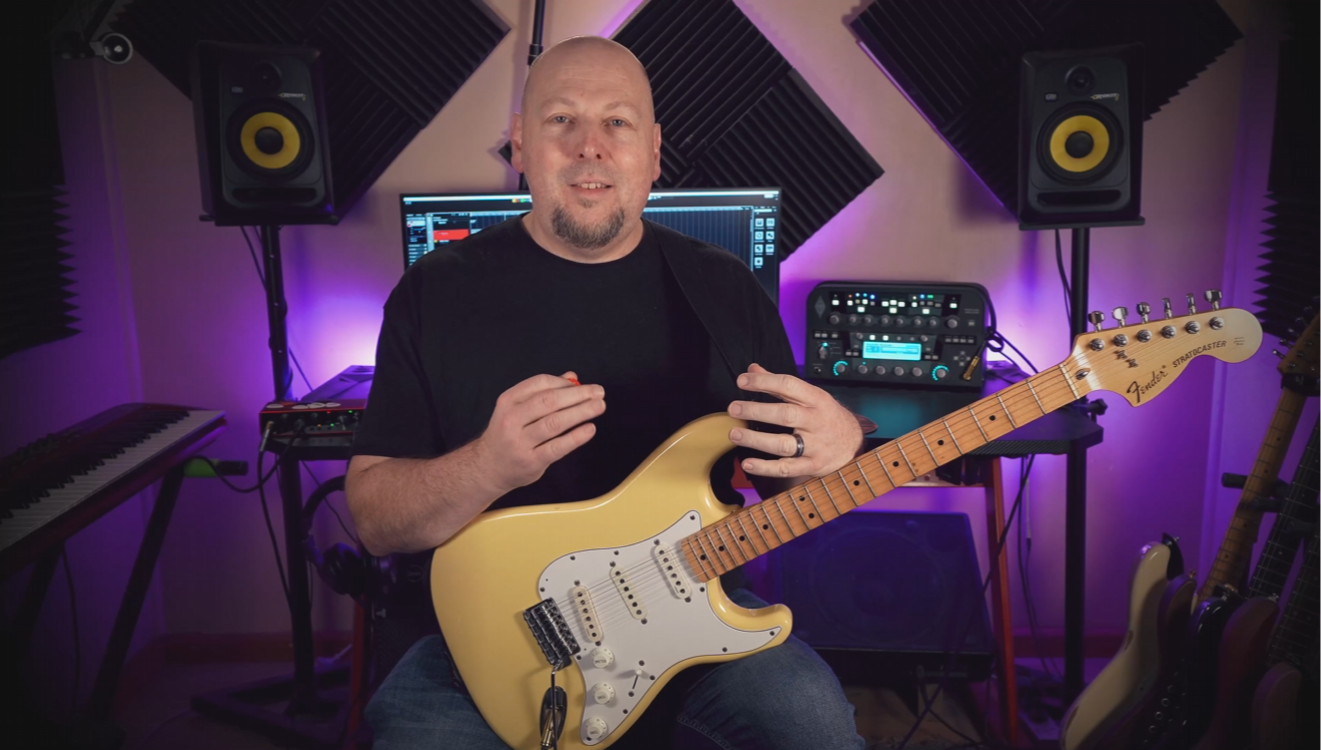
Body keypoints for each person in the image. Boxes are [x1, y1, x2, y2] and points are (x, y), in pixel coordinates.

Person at [346, 35, 867, 750]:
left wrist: (839, 450)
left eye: (616, 122)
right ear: (520, 144)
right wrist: (487, 466)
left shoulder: (725, 288)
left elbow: (789, 489)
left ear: (652, 152)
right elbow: (375, 521)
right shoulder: (432, 293)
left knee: (813, 723)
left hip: (694, 622)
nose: (589, 145)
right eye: (561, 119)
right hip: (485, 644)